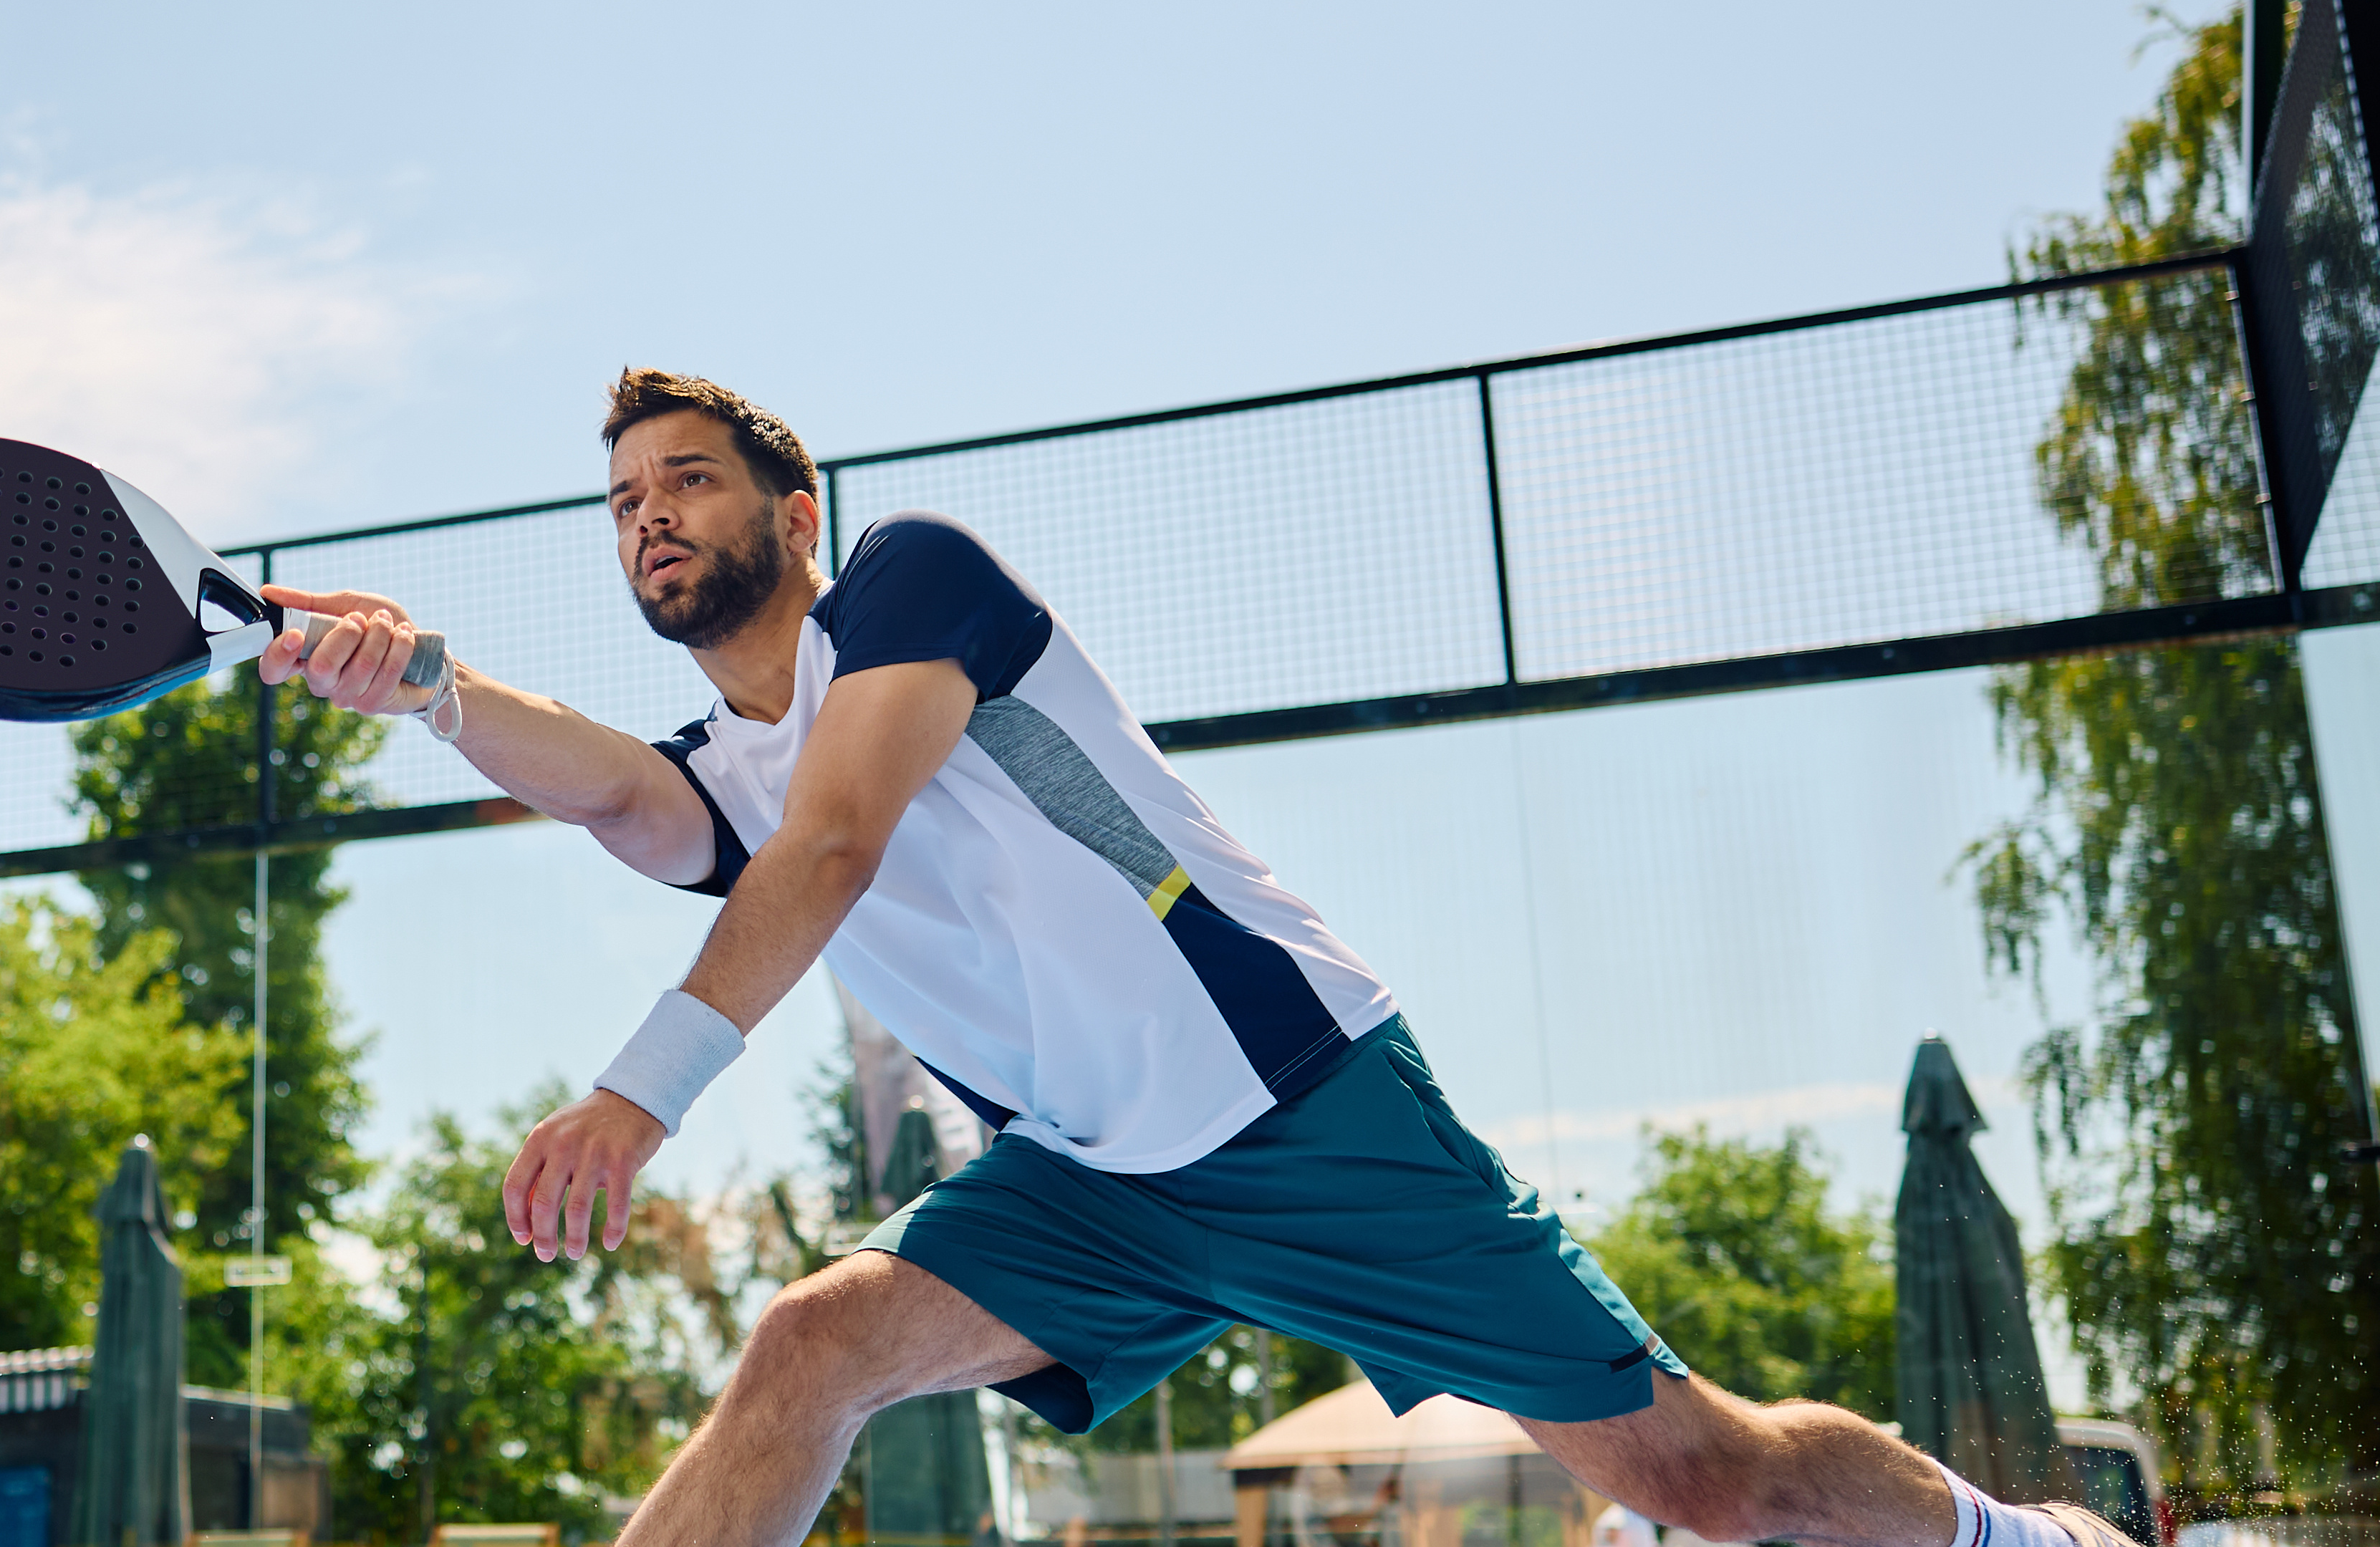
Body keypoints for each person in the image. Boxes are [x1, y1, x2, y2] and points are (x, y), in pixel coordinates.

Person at [259, 369, 2140, 1547]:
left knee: (1705, 1483)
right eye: (620, 504)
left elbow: (830, 846)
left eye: (682, 478)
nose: (648, 516)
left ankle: (2014, 1540)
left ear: (790, 514)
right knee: (807, 1343)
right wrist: (424, 685)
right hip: (1087, 1185)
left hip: (1300, 1104)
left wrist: (638, 1093)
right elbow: (614, 791)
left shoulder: (911, 583)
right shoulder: (713, 775)